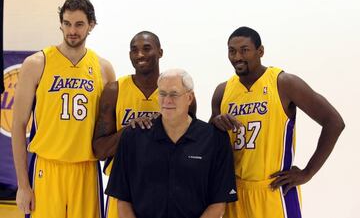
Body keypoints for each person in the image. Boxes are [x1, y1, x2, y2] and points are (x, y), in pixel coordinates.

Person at [210, 26, 345, 218]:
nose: (237, 56)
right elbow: (210, 140)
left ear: (260, 51)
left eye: (244, 50)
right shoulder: (222, 91)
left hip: (274, 190)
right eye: (232, 51)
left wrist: (308, 172)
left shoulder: (284, 83)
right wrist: (215, 122)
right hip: (234, 192)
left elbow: (334, 122)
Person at [11, 0, 115, 218]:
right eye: (67, 23)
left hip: (86, 170)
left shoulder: (103, 69)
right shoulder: (37, 64)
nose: (72, 31)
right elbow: (18, 125)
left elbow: (110, 129)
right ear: (60, 24)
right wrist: (22, 185)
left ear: (91, 25)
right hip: (47, 168)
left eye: (79, 24)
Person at [105, 69, 237, 218]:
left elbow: (218, 203)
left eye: (174, 94)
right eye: (162, 94)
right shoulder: (132, 137)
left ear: (189, 97)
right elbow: (122, 198)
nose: (167, 100)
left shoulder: (215, 139)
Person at [92, 31, 197, 218]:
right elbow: (99, 151)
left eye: (147, 48)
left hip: (165, 192)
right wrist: (130, 131)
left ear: (160, 52)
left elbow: (189, 146)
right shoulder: (114, 91)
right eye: (134, 50)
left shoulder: (179, 94)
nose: (140, 54)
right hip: (123, 191)